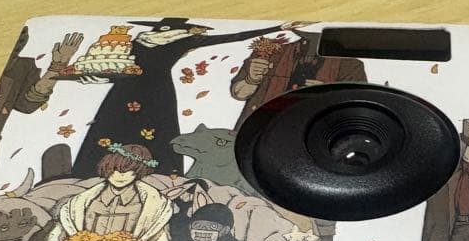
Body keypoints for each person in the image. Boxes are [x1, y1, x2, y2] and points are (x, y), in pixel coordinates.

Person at [72, 19, 309, 178]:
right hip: (129, 88)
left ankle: (158, 175)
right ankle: (94, 171)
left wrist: (277, 26)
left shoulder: (175, 40)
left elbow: (232, 37)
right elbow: (117, 64)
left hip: (154, 91)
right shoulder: (138, 41)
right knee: (114, 124)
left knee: (153, 127)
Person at [0, 28, 83, 206]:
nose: (19, 44)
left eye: (22, 40)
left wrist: (57, 66)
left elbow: (28, 104)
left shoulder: (21, 67)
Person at [38, 143, 173, 241]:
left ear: (138, 171)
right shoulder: (79, 204)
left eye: (127, 170)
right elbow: (56, 240)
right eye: (114, 169)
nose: (120, 175)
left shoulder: (154, 207)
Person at [229, 28, 366, 130]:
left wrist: (325, 95)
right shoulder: (271, 51)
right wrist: (252, 79)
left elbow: (356, 109)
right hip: (260, 128)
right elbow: (239, 94)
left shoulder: (350, 65)